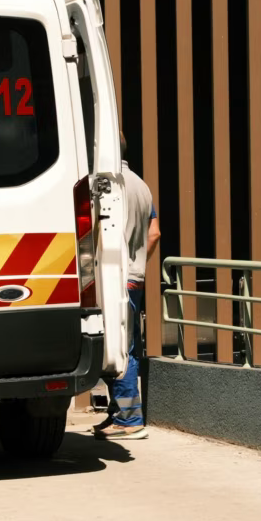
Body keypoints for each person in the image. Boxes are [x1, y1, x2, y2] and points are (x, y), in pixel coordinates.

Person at [93, 132, 160, 441]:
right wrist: (138, 261)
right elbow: (154, 233)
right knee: (127, 342)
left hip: (114, 277)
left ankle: (129, 419)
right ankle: (118, 412)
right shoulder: (141, 185)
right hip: (134, 276)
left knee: (119, 347)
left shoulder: (107, 186)